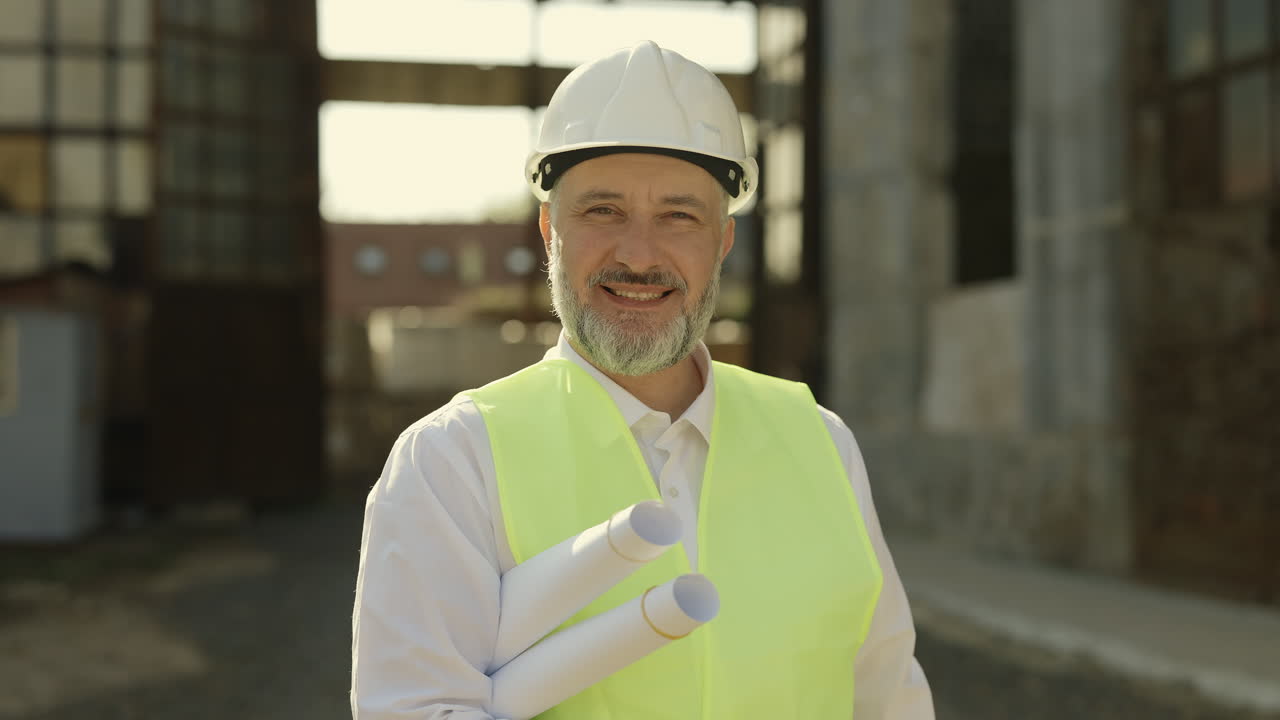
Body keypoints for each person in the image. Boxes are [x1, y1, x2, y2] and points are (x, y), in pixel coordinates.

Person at [351, 40, 935, 720]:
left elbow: (888, 695)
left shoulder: (823, 445)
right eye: (602, 211)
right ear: (549, 231)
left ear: (722, 242)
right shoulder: (453, 462)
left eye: (678, 217)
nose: (638, 253)